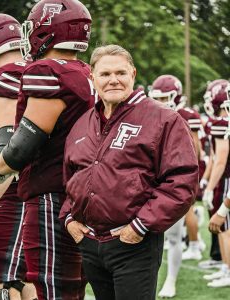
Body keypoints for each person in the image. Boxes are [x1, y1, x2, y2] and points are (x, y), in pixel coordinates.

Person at [60, 44, 199, 300]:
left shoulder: (162, 119)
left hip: (134, 244)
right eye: (105, 74)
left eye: (120, 73)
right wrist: (69, 218)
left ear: (133, 75)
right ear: (93, 78)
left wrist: (140, 226)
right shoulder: (83, 124)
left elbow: (182, 181)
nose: (113, 80)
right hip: (90, 243)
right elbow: (71, 177)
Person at [0, 1, 94, 299]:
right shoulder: (85, 71)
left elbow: (20, 148)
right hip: (79, 193)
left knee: (48, 286)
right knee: (67, 285)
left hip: (49, 195)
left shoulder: (47, 71)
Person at [0, 13, 37, 300]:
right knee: (23, 280)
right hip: (33, 192)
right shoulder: (36, 72)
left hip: (12, 193)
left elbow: (12, 153)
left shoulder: (7, 76)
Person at [149, 74, 202, 298]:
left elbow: (196, 151)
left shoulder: (187, 115)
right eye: (157, 97)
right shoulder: (148, 113)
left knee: (173, 235)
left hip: (174, 179)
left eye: (164, 97)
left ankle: (171, 279)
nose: (160, 101)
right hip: (151, 179)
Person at [201, 80, 230, 287]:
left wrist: (210, 187)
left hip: (227, 179)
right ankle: (225, 267)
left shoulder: (222, 123)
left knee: (225, 228)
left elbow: (220, 159)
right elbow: (213, 158)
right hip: (224, 178)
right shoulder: (219, 123)